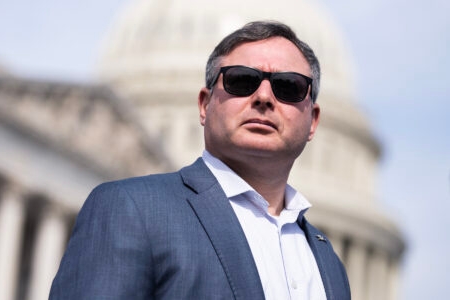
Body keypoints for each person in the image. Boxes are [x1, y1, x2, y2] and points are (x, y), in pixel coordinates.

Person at [49, 20, 350, 300]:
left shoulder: (328, 261)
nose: (263, 96)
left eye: (289, 87)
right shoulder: (132, 209)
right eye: (242, 80)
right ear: (205, 105)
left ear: (313, 121)